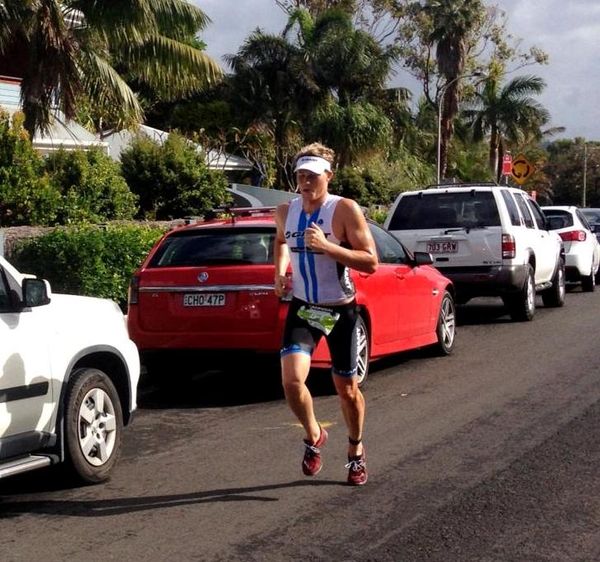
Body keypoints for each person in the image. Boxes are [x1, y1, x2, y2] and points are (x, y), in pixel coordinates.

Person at [273, 142, 378, 486]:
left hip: (340, 309)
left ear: (328, 176)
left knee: (346, 389)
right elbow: (280, 241)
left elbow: (371, 262)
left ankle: (355, 449)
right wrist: (279, 271)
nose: (305, 183)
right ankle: (314, 434)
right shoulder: (285, 211)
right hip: (304, 307)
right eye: (300, 176)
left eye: (312, 176)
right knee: (291, 381)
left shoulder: (344, 210)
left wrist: (328, 247)